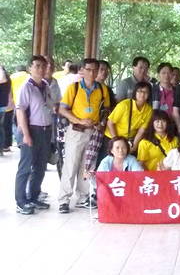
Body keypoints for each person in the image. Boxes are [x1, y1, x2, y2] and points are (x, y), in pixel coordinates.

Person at [58, 58, 111, 214]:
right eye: (88, 69)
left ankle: (83, 197)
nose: (92, 73)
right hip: (76, 130)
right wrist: (79, 120)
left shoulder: (102, 89)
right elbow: (62, 109)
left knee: (88, 165)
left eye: (95, 69)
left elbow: (106, 109)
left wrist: (101, 122)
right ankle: (64, 200)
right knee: (71, 165)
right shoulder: (73, 88)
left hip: (93, 132)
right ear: (81, 70)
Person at [14, 56, 53, 214]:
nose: (41, 69)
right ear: (30, 68)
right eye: (37, 66)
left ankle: (33, 197)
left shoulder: (45, 85)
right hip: (31, 130)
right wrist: (26, 134)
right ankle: (21, 201)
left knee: (40, 166)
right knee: (26, 167)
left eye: (43, 66)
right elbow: (20, 111)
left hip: (45, 130)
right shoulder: (26, 87)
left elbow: (49, 107)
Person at [105, 81, 153, 153]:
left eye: (146, 92)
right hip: (112, 137)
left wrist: (134, 146)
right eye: (140, 91)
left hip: (128, 140)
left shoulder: (149, 110)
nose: (142, 94)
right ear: (135, 92)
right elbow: (110, 123)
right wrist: (116, 141)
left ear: (149, 94)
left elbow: (141, 131)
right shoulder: (124, 105)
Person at [0, 66, 13, 154]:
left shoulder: (4, 79)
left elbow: (2, 79)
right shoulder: (7, 78)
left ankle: (2, 147)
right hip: (4, 105)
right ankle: (2, 147)